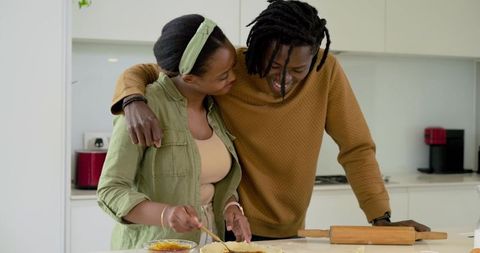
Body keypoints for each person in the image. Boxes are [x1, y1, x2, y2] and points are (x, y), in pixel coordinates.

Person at [110, 0, 430, 241]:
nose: (284, 79)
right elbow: (157, 71)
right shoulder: (230, 70)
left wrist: (381, 219)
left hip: (292, 226)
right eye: (275, 66)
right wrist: (132, 99)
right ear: (257, 49)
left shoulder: (325, 71)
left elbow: (356, 148)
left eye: (296, 70)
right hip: (234, 225)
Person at [97, 14, 251, 250]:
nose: (233, 78)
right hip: (154, 246)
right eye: (223, 76)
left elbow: (211, 182)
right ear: (189, 78)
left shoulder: (216, 107)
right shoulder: (145, 108)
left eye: (232, 68)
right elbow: (110, 190)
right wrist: (165, 213)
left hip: (209, 245)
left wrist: (231, 207)